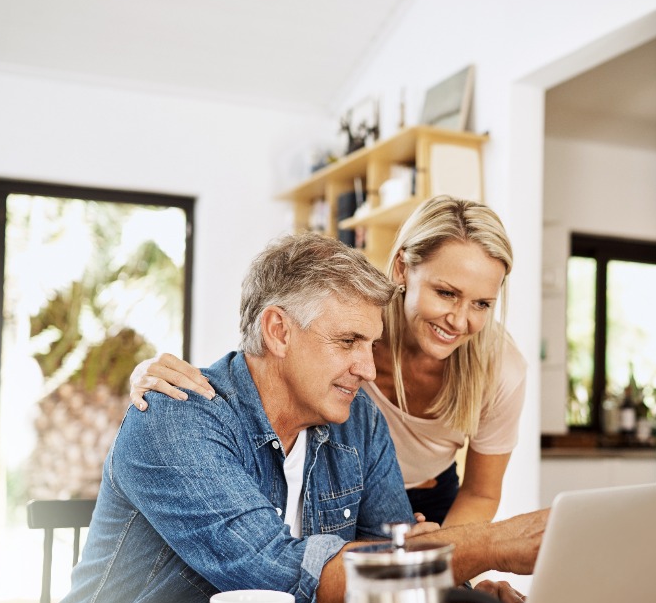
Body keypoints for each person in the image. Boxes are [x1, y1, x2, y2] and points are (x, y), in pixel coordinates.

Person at [42, 234, 545, 603]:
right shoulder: (176, 417)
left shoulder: (360, 422)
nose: (369, 369)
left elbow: (395, 550)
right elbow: (284, 578)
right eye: (348, 342)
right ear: (278, 330)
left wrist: (460, 600)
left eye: (371, 345)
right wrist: (493, 545)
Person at [130, 195, 525, 527]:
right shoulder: (355, 312)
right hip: (332, 479)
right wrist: (157, 382)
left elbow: (481, 491)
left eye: (482, 304)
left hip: (430, 500)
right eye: (446, 293)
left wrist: (448, 560)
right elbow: (264, 359)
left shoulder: (500, 369)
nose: (459, 320)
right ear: (403, 267)